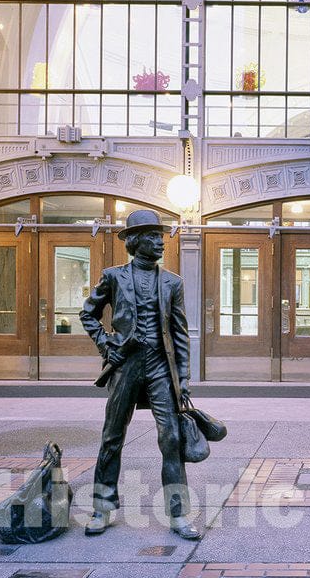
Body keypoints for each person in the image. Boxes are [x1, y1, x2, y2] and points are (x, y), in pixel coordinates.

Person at [79, 208, 199, 539]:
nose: (160, 242)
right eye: (152, 237)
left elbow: (180, 334)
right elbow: (88, 314)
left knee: (171, 438)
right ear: (135, 241)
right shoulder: (113, 277)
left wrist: (183, 378)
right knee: (112, 436)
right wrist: (107, 345)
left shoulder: (172, 282)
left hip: (161, 367)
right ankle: (102, 508)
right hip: (126, 365)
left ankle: (178, 514)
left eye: (160, 236)